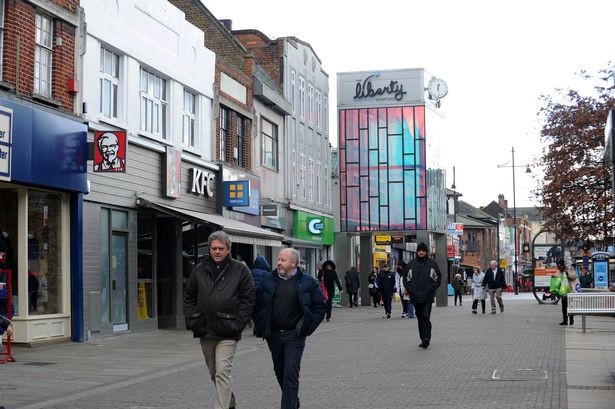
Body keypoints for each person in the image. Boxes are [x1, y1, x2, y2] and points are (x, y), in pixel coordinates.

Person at [183, 230, 255, 409]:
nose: (216, 251)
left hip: (228, 329)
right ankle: (229, 402)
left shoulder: (240, 269)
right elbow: (189, 295)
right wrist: (191, 319)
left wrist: (239, 323)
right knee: (213, 372)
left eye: (220, 248)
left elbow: (248, 298)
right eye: (213, 248)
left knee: (223, 371)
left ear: (228, 249)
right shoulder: (200, 268)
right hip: (204, 328)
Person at [253, 247, 326, 409]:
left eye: (283, 260)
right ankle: (293, 401)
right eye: (278, 259)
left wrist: (307, 327)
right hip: (273, 336)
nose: (278, 262)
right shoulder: (268, 280)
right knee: (280, 372)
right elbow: (257, 304)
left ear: (294, 263)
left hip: (295, 335)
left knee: (290, 374)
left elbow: (320, 307)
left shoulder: (308, 282)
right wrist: (261, 324)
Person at [403, 242, 442, 348]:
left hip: (427, 297)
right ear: (417, 252)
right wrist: (411, 290)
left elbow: (438, 279)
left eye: (423, 251)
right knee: (420, 318)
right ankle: (422, 338)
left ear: (426, 252)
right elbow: (406, 279)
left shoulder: (432, 264)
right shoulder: (411, 264)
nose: (421, 252)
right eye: (419, 250)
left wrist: (431, 289)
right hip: (415, 297)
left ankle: (426, 338)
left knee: (425, 316)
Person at [555, 259, 580, 325]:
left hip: (570, 291)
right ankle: (565, 321)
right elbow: (557, 277)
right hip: (563, 292)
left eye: (560, 267)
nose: (559, 268)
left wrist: (567, 274)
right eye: (558, 267)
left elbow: (574, 276)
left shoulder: (570, 268)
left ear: (564, 265)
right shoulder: (559, 271)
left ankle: (571, 321)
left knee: (570, 307)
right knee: (564, 307)